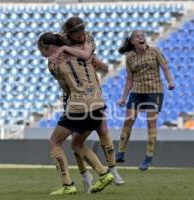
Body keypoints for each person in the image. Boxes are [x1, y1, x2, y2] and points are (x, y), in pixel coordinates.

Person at [48, 16, 124, 185]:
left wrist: (67, 50)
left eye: (83, 32)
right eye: (78, 34)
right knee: (76, 140)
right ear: (69, 34)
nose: (83, 36)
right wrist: (54, 57)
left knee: (101, 130)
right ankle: (85, 175)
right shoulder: (61, 43)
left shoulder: (86, 37)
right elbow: (59, 68)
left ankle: (111, 169)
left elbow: (87, 54)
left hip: (92, 91)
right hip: (73, 94)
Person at [38, 32, 114, 196]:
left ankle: (68, 185)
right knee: (76, 144)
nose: (42, 55)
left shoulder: (53, 64)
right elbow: (99, 63)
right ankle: (104, 174)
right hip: (98, 103)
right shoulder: (83, 53)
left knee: (54, 142)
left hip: (79, 105)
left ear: (49, 48)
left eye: (42, 51)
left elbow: (65, 88)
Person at [116, 30, 175, 170]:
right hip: (137, 91)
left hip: (154, 90)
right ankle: (121, 152)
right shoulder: (129, 57)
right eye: (138, 37)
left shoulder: (155, 51)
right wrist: (124, 97)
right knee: (128, 119)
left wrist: (170, 82)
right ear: (132, 41)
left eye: (143, 36)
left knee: (151, 121)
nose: (142, 38)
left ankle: (148, 156)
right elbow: (129, 78)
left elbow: (165, 68)